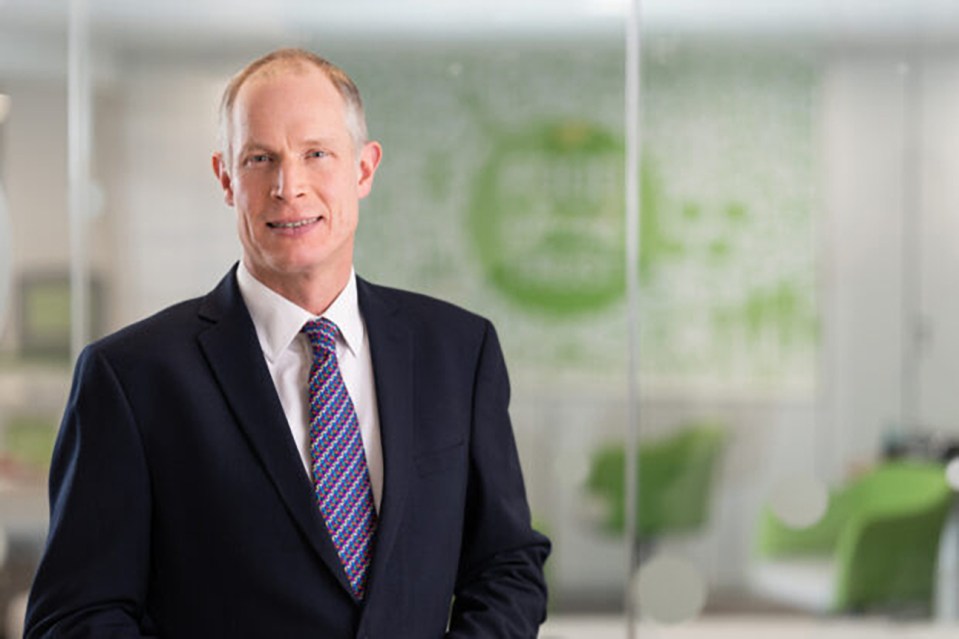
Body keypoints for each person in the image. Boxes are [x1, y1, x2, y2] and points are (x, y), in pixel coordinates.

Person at [24, 48, 550, 638]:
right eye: (260, 159)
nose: (288, 186)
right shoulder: (130, 378)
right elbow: (76, 617)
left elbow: (506, 566)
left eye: (316, 154)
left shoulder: (458, 351)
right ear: (226, 178)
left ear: (364, 169)